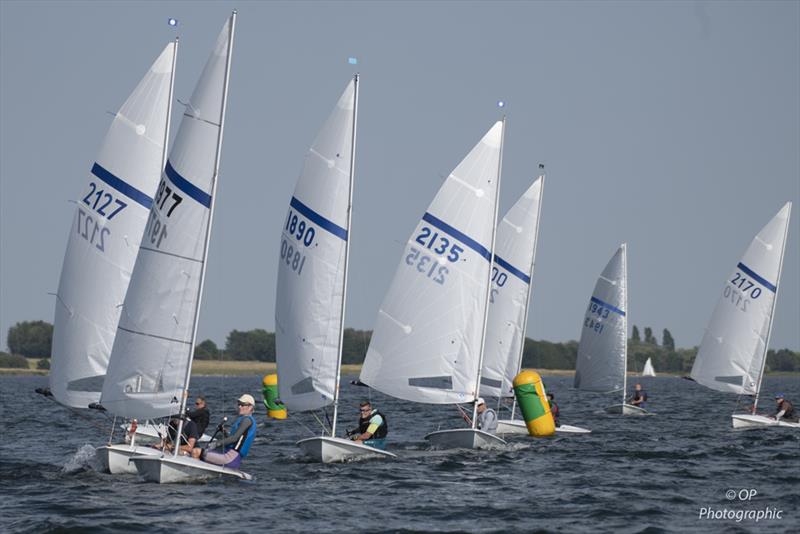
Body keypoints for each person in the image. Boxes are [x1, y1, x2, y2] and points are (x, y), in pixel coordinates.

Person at [192, 394, 257, 469]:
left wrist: (217, 443)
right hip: (230, 455)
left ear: (250, 407)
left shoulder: (247, 420)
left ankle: (195, 476)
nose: (239, 407)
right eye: (239, 404)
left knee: (195, 452)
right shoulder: (244, 419)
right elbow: (236, 440)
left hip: (230, 458)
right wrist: (224, 432)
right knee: (200, 451)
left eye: (242, 405)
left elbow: (234, 438)